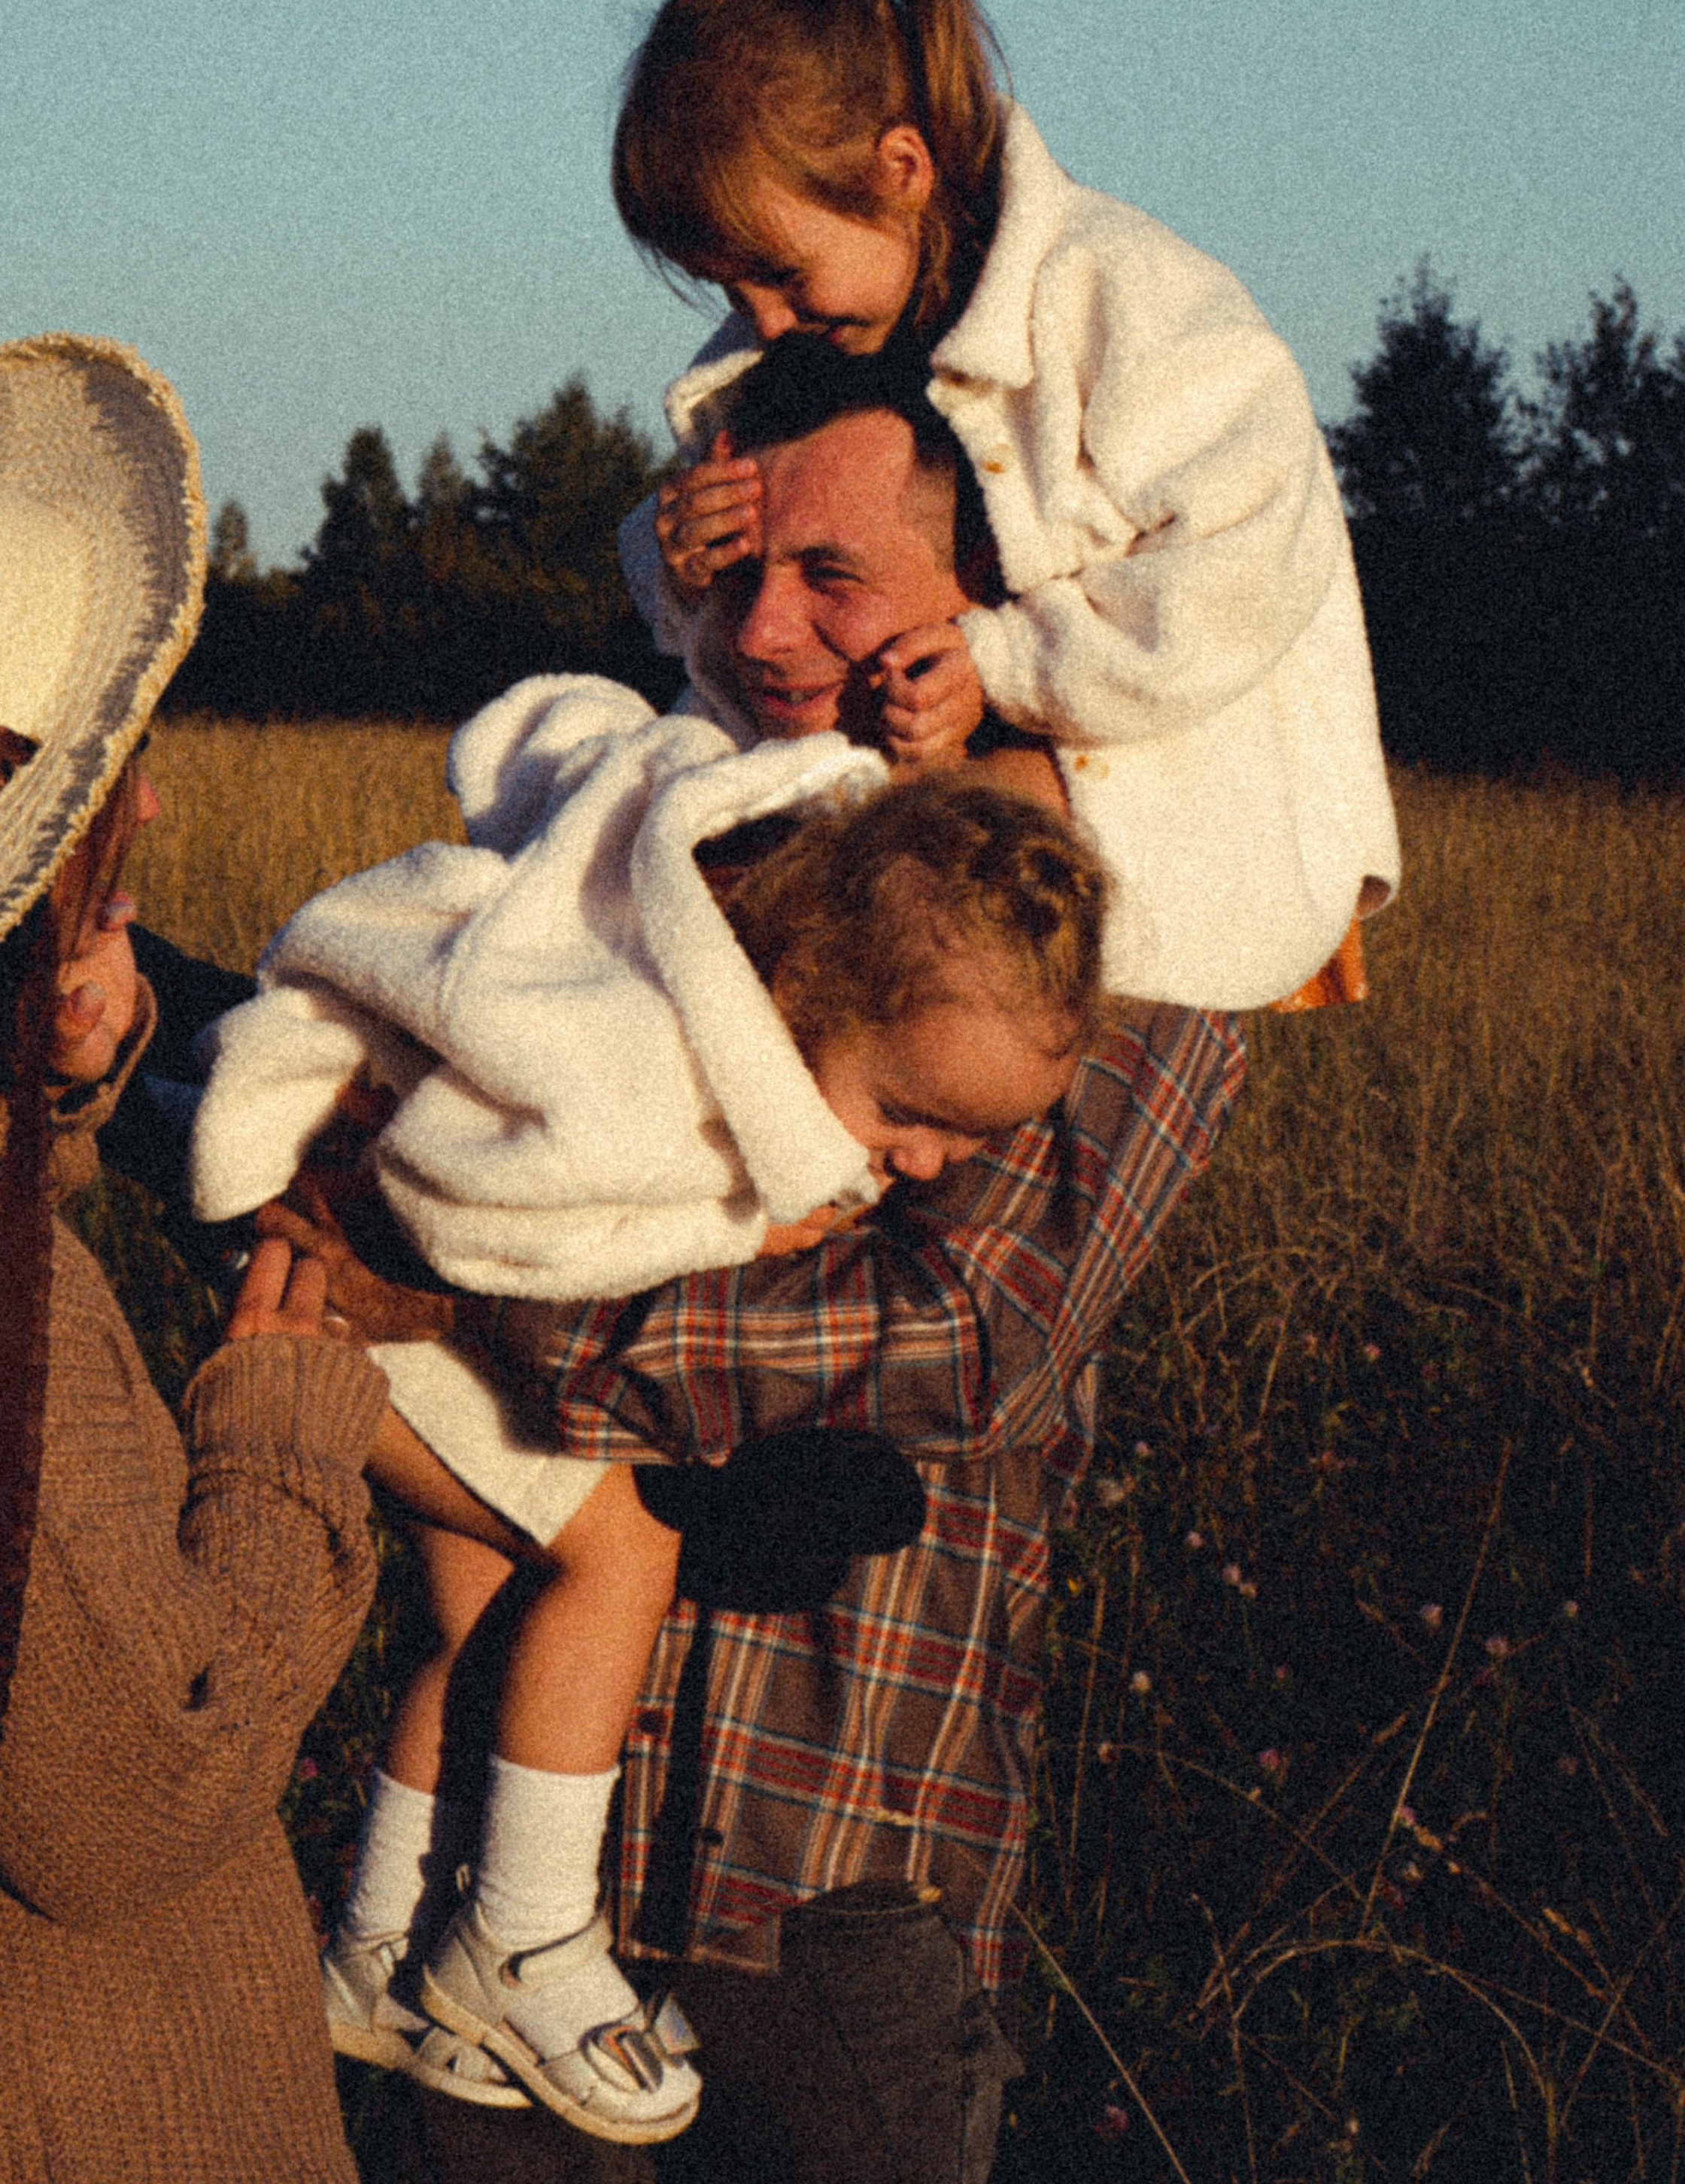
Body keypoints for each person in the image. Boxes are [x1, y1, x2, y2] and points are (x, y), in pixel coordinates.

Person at [272, 365, 1246, 2184]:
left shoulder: (1100, 918)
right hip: (522, 1841)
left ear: (988, 605)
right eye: (729, 574)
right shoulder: (651, 867)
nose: (773, 630)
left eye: (840, 577)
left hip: (817, 1865)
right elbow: (385, 1077)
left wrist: (442, 1287)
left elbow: (958, 1336)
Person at [190, 669, 1107, 2143]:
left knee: (485, 1615)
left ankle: (372, 1952)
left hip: (332, 1287)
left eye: (964, 1137)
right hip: (335, 1286)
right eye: (907, 1118)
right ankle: (526, 1939)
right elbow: (473, 1214)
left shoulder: (766, 1033)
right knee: (622, 1555)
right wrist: (735, 1237)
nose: (927, 1164)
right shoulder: (639, 1061)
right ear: (806, 1005)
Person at [0, 335, 414, 2184]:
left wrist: (19, 1087)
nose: (152, 809)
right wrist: (281, 1438)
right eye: (114, 776)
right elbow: (134, 1783)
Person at [614, 0, 1400, 1012]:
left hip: (1180, 770)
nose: (764, 320)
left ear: (901, 166)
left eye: (781, 274)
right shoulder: (807, 332)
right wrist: (679, 558)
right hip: (938, 765)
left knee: (892, 910)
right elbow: (748, 601)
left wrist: (1004, 659)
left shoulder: (1128, 299)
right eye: (731, 287)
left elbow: (1247, 561)